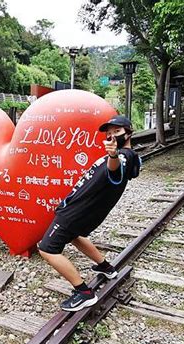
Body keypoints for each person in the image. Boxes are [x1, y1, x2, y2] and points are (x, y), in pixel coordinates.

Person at [37, 115, 141, 312]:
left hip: (78, 211)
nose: (111, 136)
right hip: (82, 209)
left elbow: (115, 169)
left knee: (47, 249)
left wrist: (112, 156)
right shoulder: (131, 155)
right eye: (108, 134)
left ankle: (84, 293)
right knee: (75, 236)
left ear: (128, 133)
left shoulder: (123, 156)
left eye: (116, 132)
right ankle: (106, 267)